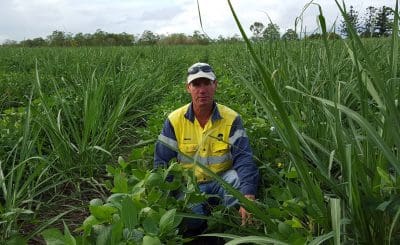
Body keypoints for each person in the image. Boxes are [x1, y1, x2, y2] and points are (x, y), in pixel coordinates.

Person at [154, 62, 259, 235]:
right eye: (196, 84)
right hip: (190, 185)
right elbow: (162, 162)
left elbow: (244, 158)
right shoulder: (174, 120)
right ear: (188, 88)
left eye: (206, 83)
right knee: (193, 222)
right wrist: (164, 198)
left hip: (222, 180)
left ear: (215, 85)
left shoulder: (231, 118)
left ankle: (232, 222)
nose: (202, 90)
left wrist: (247, 196)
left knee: (239, 182)